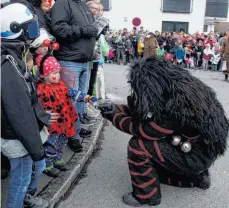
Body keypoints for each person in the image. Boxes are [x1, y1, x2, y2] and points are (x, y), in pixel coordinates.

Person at [99, 57, 229, 207]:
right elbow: (144, 114)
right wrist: (116, 108)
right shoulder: (179, 89)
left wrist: (113, 114)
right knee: (160, 147)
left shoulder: (177, 107)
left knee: (138, 146)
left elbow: (144, 129)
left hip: (194, 156)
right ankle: (197, 178)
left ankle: (146, 196)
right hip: (199, 151)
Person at [1, 3, 50, 207]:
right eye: (30, 29)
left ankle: (25, 198)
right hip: (17, 136)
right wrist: (36, 148)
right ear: (14, 30)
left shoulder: (14, 56)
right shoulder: (8, 65)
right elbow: (19, 113)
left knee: (30, 171)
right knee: (21, 178)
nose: (34, 34)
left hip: (22, 133)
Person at [36, 54, 98, 176]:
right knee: (50, 144)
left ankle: (58, 159)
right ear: (44, 74)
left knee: (62, 141)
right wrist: (42, 116)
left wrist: (86, 97)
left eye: (58, 72)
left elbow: (73, 93)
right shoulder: (40, 89)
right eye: (54, 73)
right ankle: (48, 165)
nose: (58, 75)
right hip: (51, 124)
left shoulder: (61, 85)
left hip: (64, 121)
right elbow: (36, 106)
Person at [50, 0, 98, 151]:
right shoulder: (63, 3)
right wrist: (85, 30)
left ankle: (76, 129)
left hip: (84, 60)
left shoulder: (82, 5)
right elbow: (59, 29)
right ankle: (72, 136)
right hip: (70, 60)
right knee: (70, 101)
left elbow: (87, 30)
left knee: (80, 99)